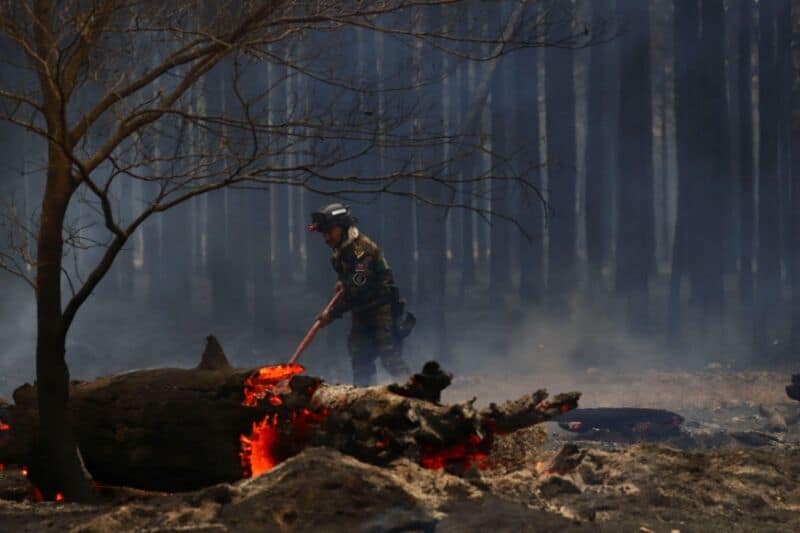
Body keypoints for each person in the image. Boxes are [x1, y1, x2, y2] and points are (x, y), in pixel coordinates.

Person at [308, 203, 412, 386]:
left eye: (330, 231)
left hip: (380, 309)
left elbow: (358, 287)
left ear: (343, 226)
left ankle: (418, 398)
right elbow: (350, 278)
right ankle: (365, 401)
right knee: (360, 359)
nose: (326, 238)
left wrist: (331, 315)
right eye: (324, 233)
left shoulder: (361, 249)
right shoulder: (342, 249)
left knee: (390, 358)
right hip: (361, 311)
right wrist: (342, 280)